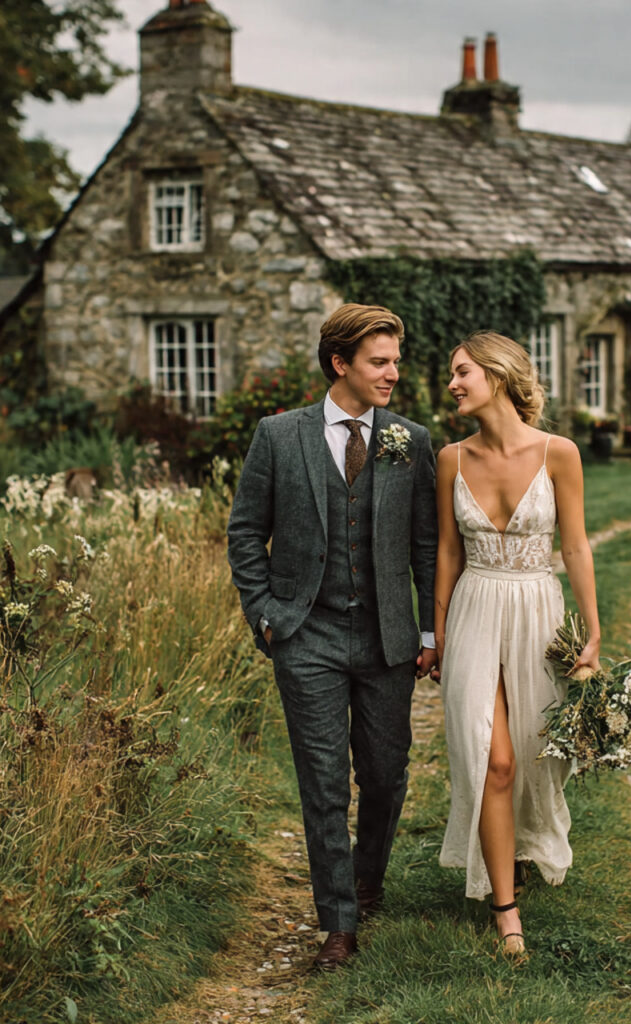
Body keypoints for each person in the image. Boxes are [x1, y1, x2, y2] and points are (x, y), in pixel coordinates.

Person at [227, 304, 438, 970]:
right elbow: (243, 532)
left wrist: (429, 627)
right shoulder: (278, 436)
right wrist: (265, 612)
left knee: (384, 776)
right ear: (339, 362)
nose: (392, 374)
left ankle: (367, 880)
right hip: (305, 636)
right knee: (323, 784)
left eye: (396, 361)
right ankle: (338, 926)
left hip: (386, 641)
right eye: (380, 361)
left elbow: (426, 544)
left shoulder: (411, 441)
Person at [434, 331, 601, 955]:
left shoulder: (560, 454)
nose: (452, 384)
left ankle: (521, 854)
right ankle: (506, 912)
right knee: (491, 758)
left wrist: (592, 629)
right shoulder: (450, 458)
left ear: (498, 376)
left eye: (461, 373)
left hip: (537, 609)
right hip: (476, 607)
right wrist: (441, 631)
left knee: (533, 758)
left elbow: (576, 546)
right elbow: (448, 553)